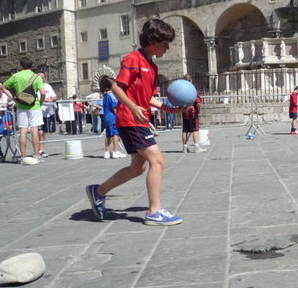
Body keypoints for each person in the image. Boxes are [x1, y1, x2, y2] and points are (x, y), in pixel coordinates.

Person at [86, 18, 184, 226]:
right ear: (152, 41)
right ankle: (154, 212)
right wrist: (132, 107)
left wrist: (168, 108)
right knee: (157, 161)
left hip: (138, 119)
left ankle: (98, 191)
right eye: (164, 44)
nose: (167, 48)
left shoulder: (152, 67)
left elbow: (147, 97)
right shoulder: (133, 59)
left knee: (137, 168)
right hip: (130, 120)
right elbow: (115, 86)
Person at [2, 56, 44, 164]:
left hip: (21, 106)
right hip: (34, 105)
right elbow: (43, 93)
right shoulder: (36, 77)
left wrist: (13, 98)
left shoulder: (16, 76)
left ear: (21, 65)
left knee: (23, 131)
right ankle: (36, 155)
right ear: (31, 65)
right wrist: (41, 102)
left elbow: (3, 87)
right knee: (34, 130)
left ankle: (23, 157)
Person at [99, 76, 125, 159]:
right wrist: (119, 116)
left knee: (108, 135)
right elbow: (114, 107)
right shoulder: (111, 95)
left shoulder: (105, 95)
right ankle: (115, 151)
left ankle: (107, 152)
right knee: (115, 134)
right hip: (113, 117)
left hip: (107, 116)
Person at [180, 75, 207, 152]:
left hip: (184, 112)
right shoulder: (192, 90)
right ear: (191, 81)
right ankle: (196, 147)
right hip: (193, 112)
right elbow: (198, 103)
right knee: (195, 129)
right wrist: (199, 109)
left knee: (185, 130)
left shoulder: (181, 91)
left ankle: (184, 147)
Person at [39, 73, 57, 158]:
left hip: (47, 112)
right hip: (39, 111)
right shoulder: (35, 86)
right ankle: (37, 150)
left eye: (42, 78)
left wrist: (51, 99)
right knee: (39, 132)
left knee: (44, 132)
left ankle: (41, 150)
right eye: (39, 78)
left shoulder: (48, 86)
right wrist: (44, 99)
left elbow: (55, 97)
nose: (41, 79)